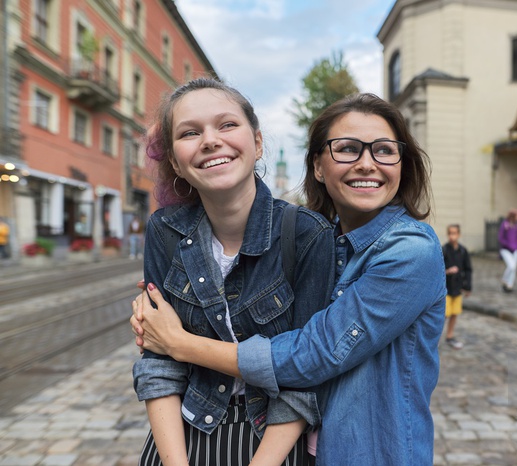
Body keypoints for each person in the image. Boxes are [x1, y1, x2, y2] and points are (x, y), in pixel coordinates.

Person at [132, 93, 446, 465]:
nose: (366, 164)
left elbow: (313, 355)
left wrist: (178, 343)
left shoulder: (410, 251)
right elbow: (158, 367)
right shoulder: (326, 238)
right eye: (347, 149)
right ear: (317, 166)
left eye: (383, 150)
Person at [131, 77, 335, 466]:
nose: (210, 140)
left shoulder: (307, 234)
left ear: (257, 143)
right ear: (175, 160)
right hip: (184, 434)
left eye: (226, 125)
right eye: (190, 132)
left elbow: (306, 375)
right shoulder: (165, 230)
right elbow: (158, 362)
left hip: (273, 441)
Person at [442, 223, 472, 349]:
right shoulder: (444, 250)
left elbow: (468, 269)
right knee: (444, 314)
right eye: (450, 233)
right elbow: (438, 269)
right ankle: (434, 339)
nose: (451, 236)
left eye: (454, 233)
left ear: (458, 234)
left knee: (455, 313)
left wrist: (468, 286)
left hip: (457, 287)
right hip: (446, 288)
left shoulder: (463, 251)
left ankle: (450, 336)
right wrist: (447, 271)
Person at [498, 209, 517, 292]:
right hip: (506, 249)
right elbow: (500, 238)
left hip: (515, 250)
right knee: (511, 266)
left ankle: (510, 285)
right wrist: (508, 245)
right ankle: (505, 279)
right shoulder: (505, 225)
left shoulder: (516, 226)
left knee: (514, 268)